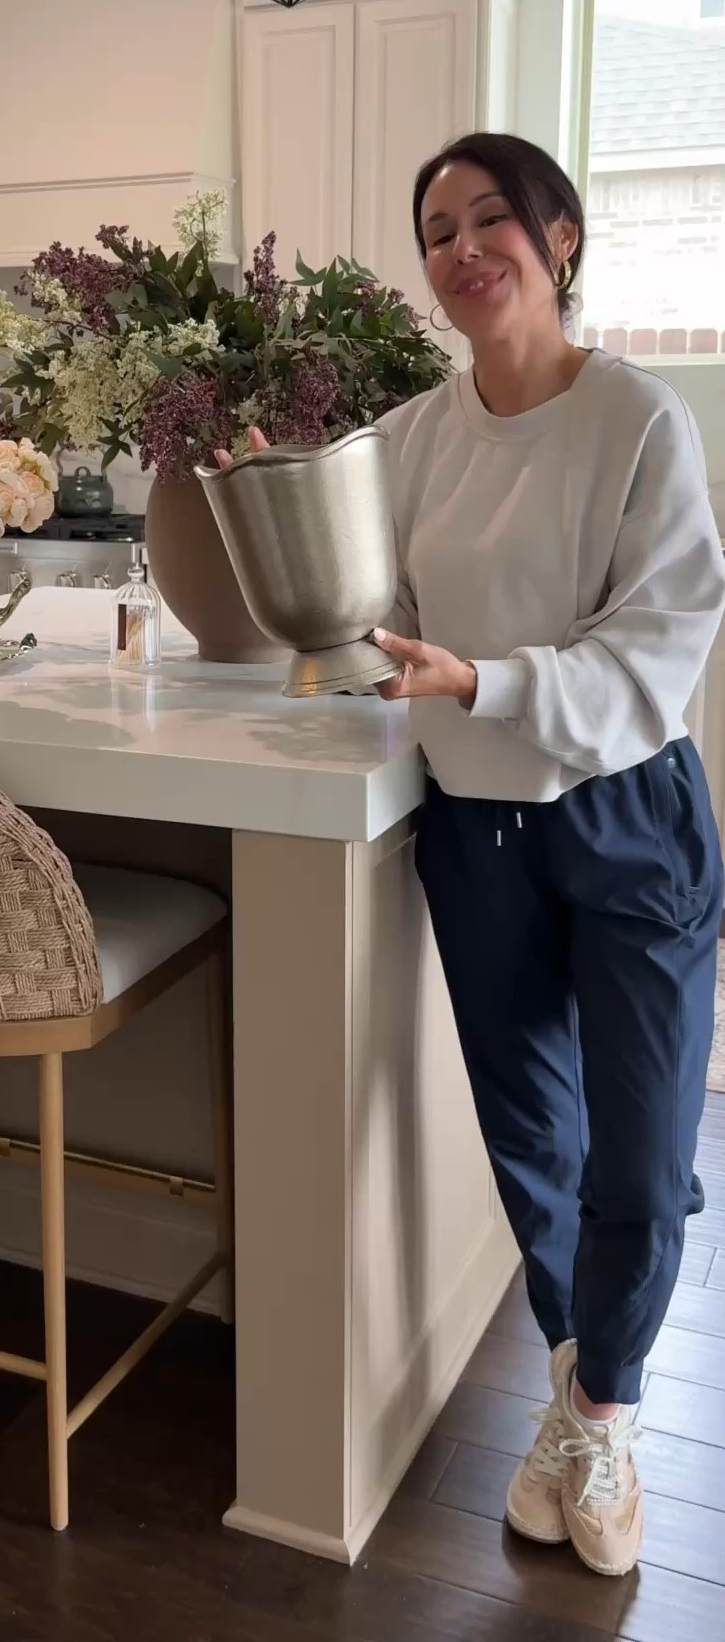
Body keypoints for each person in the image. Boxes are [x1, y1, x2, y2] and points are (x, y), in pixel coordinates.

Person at [221, 132, 725, 1580]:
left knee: (644, 1153)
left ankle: (603, 1406)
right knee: (534, 1136)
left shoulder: (639, 420)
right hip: (476, 826)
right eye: (437, 229)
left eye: (491, 218)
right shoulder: (413, 436)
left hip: (627, 815)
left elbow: (656, 648)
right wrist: (276, 508)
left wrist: (483, 682)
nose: (462, 249)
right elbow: (363, 607)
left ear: (558, 237)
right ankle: (587, 1400)